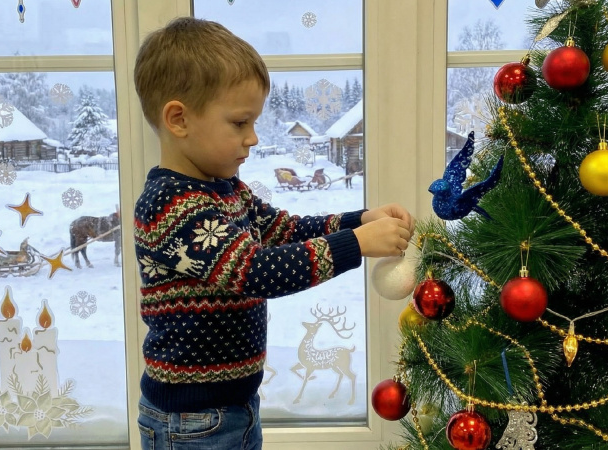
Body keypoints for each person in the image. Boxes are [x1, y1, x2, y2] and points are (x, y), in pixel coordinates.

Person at [132, 16, 414, 450]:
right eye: (240, 123)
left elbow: (284, 229)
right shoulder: (171, 204)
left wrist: (359, 220)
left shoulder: (227, 190)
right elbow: (252, 271)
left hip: (234, 406)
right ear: (178, 119)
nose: (253, 138)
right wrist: (355, 245)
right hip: (190, 420)